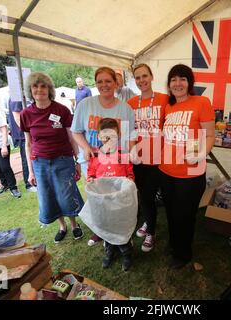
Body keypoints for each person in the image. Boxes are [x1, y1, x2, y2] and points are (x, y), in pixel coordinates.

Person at [71, 66, 137, 247]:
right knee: (97, 198)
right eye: (99, 81)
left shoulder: (125, 109)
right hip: (94, 162)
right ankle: (99, 231)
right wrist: (85, 147)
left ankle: (122, 231)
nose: (104, 85)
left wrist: (130, 154)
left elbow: (131, 135)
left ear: (116, 83)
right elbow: (76, 131)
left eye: (108, 81)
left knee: (118, 199)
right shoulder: (86, 105)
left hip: (118, 162)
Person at [158, 64, 215, 269]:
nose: (178, 83)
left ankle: (183, 253)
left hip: (190, 174)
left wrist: (201, 153)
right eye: (173, 79)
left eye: (182, 79)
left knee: (185, 215)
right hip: (166, 171)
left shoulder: (201, 102)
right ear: (169, 84)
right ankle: (174, 244)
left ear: (189, 82)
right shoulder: (169, 106)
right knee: (171, 213)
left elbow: (209, 135)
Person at [20, 72, 84, 243]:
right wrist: (30, 172)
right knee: (48, 195)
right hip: (40, 162)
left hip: (63, 160)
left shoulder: (61, 110)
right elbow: (28, 144)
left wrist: (77, 161)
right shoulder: (26, 114)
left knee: (66, 194)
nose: (39, 89)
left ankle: (74, 225)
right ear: (30, 90)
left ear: (49, 89)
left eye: (43, 86)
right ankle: (61, 226)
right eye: (35, 86)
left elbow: (71, 137)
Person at [127, 63, 168, 252]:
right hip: (139, 158)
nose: (142, 80)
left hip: (158, 158)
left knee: (149, 196)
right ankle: (147, 222)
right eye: (138, 77)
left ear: (151, 77)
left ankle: (151, 231)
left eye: (145, 76)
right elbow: (130, 130)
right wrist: (133, 149)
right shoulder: (131, 103)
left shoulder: (165, 99)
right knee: (143, 195)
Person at [86, 118, 135, 271]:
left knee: (120, 225)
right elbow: (91, 174)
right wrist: (90, 179)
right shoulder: (95, 157)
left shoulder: (123, 155)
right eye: (105, 136)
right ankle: (109, 249)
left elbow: (130, 175)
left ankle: (126, 252)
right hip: (104, 201)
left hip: (119, 200)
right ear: (99, 136)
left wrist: (129, 182)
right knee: (107, 225)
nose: (108, 140)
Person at [6, 97, 37, 193]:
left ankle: (36, 181)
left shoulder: (26, 95)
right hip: (24, 134)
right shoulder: (16, 96)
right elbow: (17, 117)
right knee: (26, 157)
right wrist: (28, 131)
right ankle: (29, 184)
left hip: (31, 132)